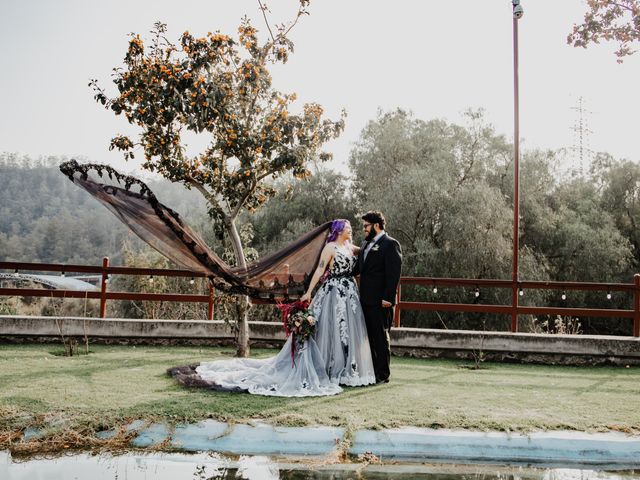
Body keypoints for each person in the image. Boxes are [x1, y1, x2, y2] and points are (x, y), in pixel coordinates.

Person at [194, 219, 376, 396]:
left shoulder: (351, 248)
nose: (351, 229)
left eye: (351, 227)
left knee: (347, 331)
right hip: (333, 292)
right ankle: (327, 367)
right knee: (330, 329)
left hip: (350, 293)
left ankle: (346, 370)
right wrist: (309, 292)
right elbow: (320, 270)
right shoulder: (330, 248)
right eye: (347, 227)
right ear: (338, 230)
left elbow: (370, 251)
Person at [355, 211, 402, 384]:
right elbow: (358, 268)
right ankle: (371, 372)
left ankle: (383, 375)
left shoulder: (390, 244)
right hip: (365, 300)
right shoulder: (365, 244)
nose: (364, 230)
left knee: (381, 338)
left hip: (382, 301)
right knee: (368, 338)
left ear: (376, 225)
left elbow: (393, 274)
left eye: (366, 226)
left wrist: (388, 298)